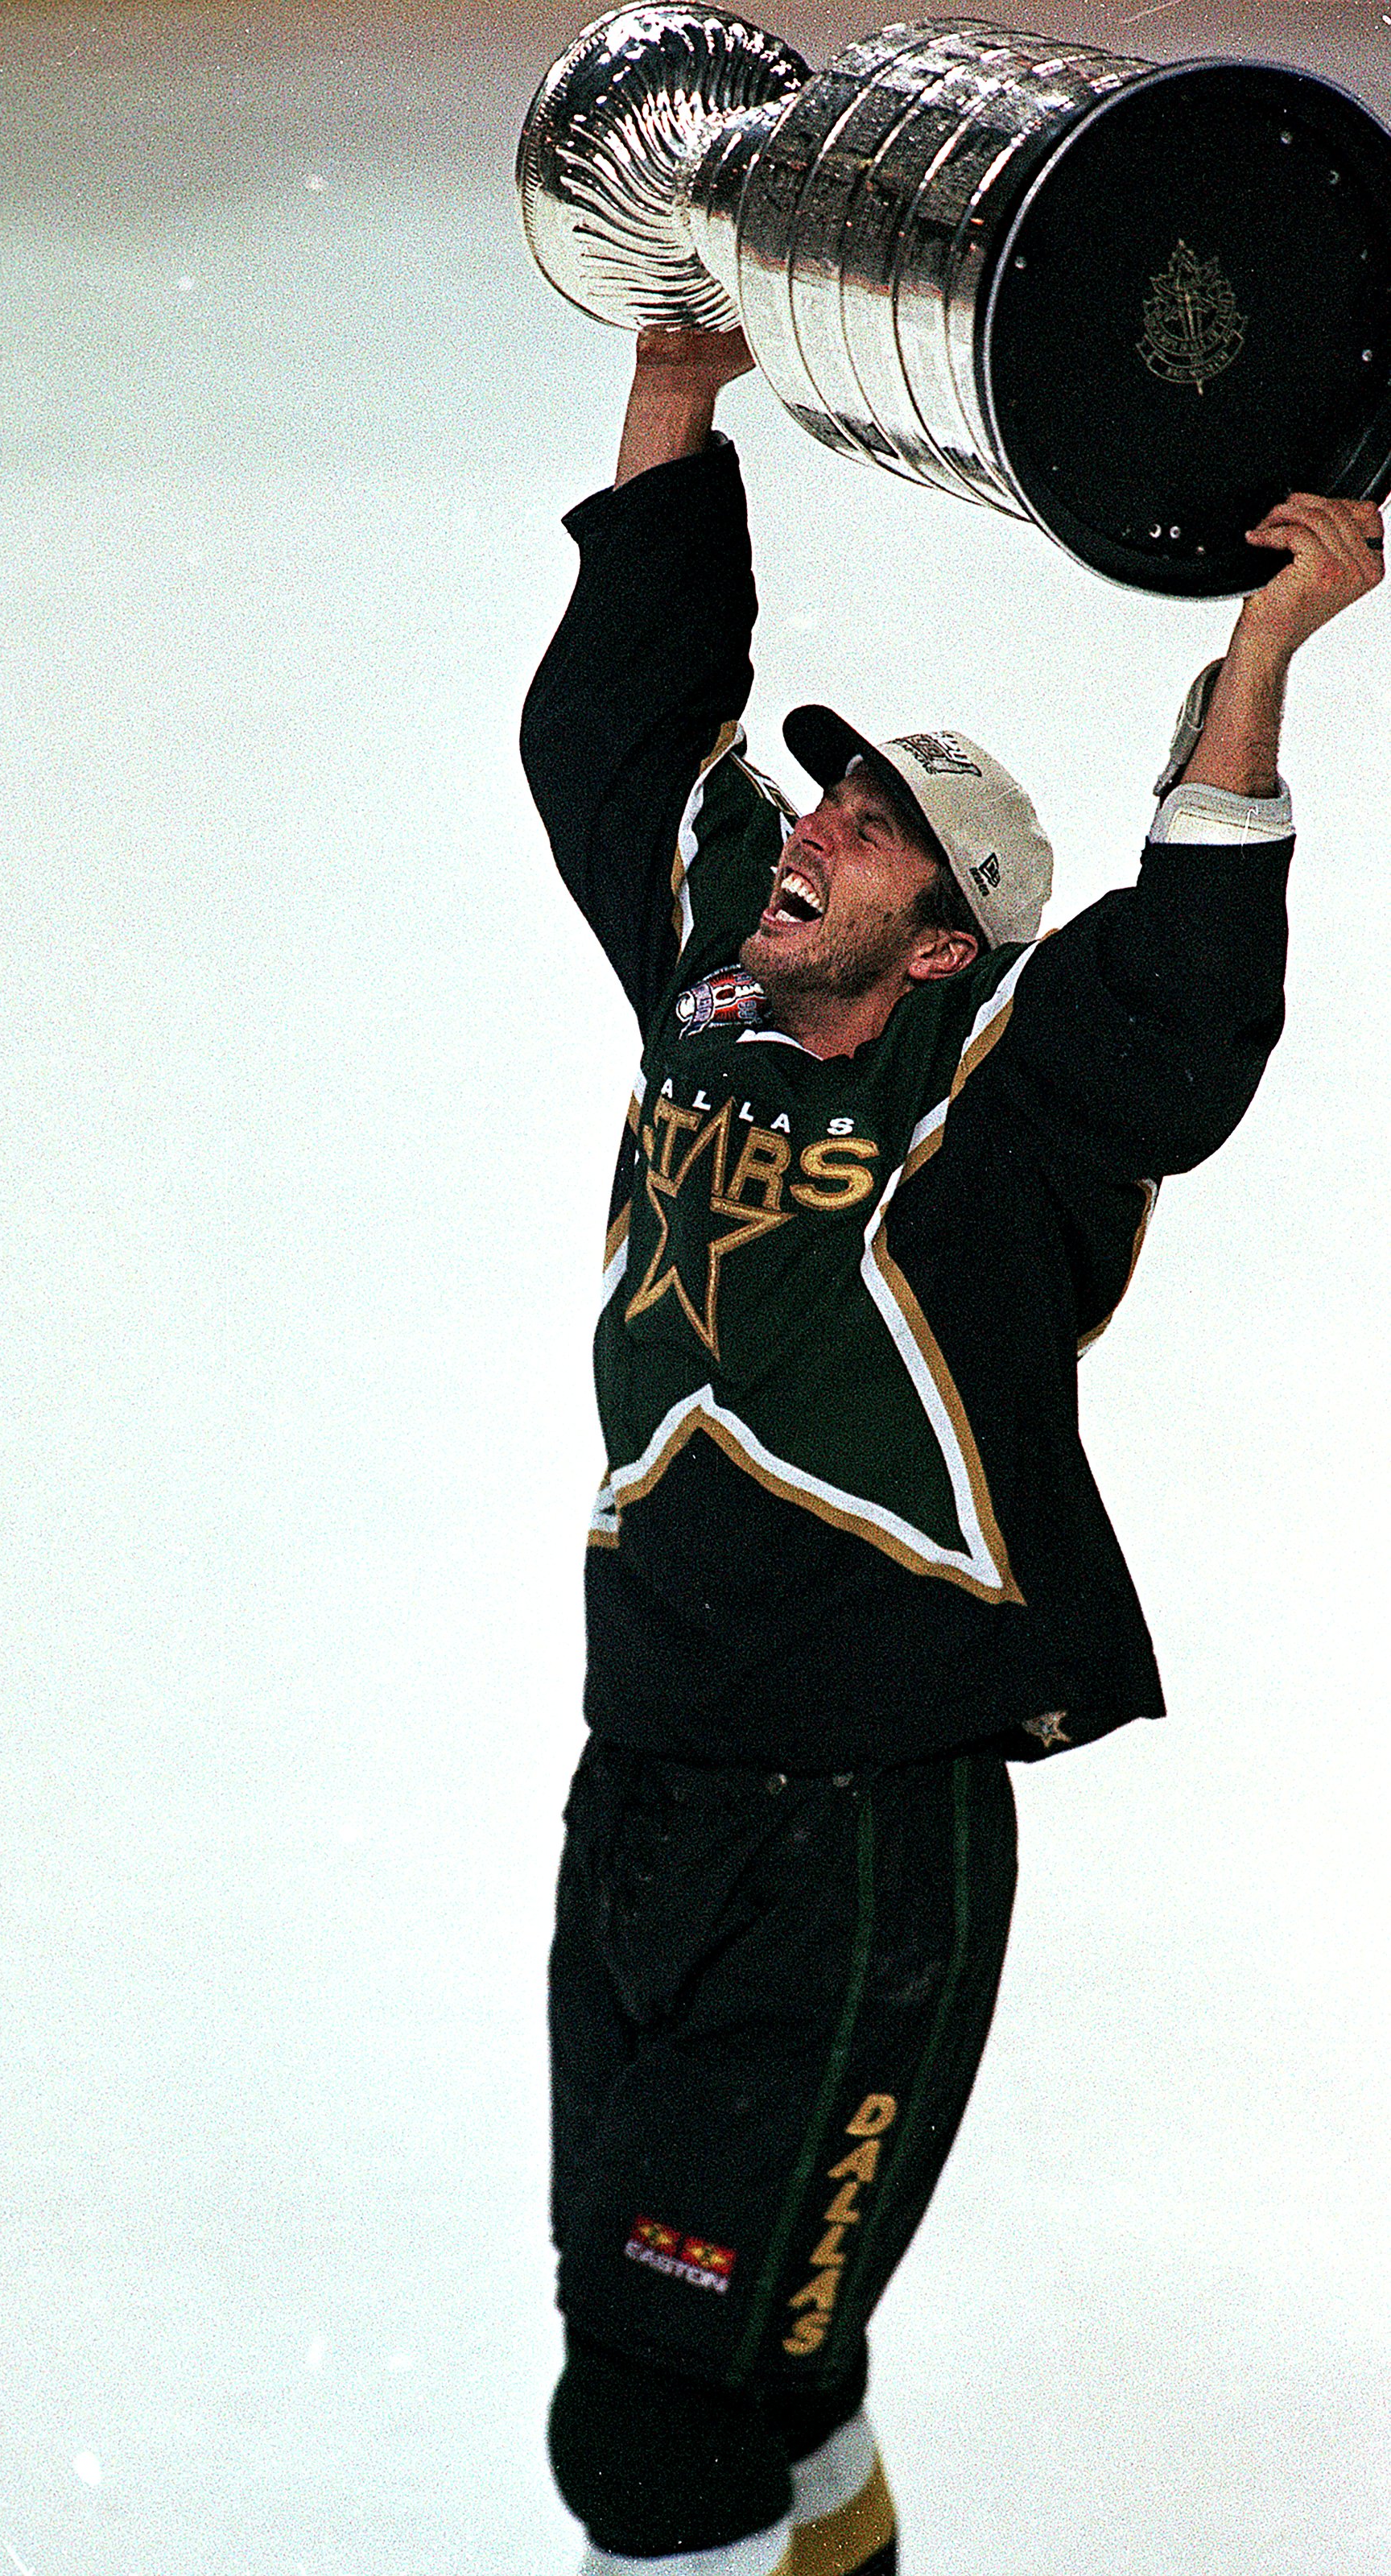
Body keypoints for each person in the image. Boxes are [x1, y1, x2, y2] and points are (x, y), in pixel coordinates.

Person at [519, 323, 1382, 2576]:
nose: (820, 826)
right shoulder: (713, 991)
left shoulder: (1001, 1111)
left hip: (856, 1862)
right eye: (829, 799)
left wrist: (1263, 651)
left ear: (953, 936)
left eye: (879, 826)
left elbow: (1185, 1009)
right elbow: (611, 736)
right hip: (646, 1783)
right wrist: (674, 407)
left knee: (656, 2438)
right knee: (742, 2378)